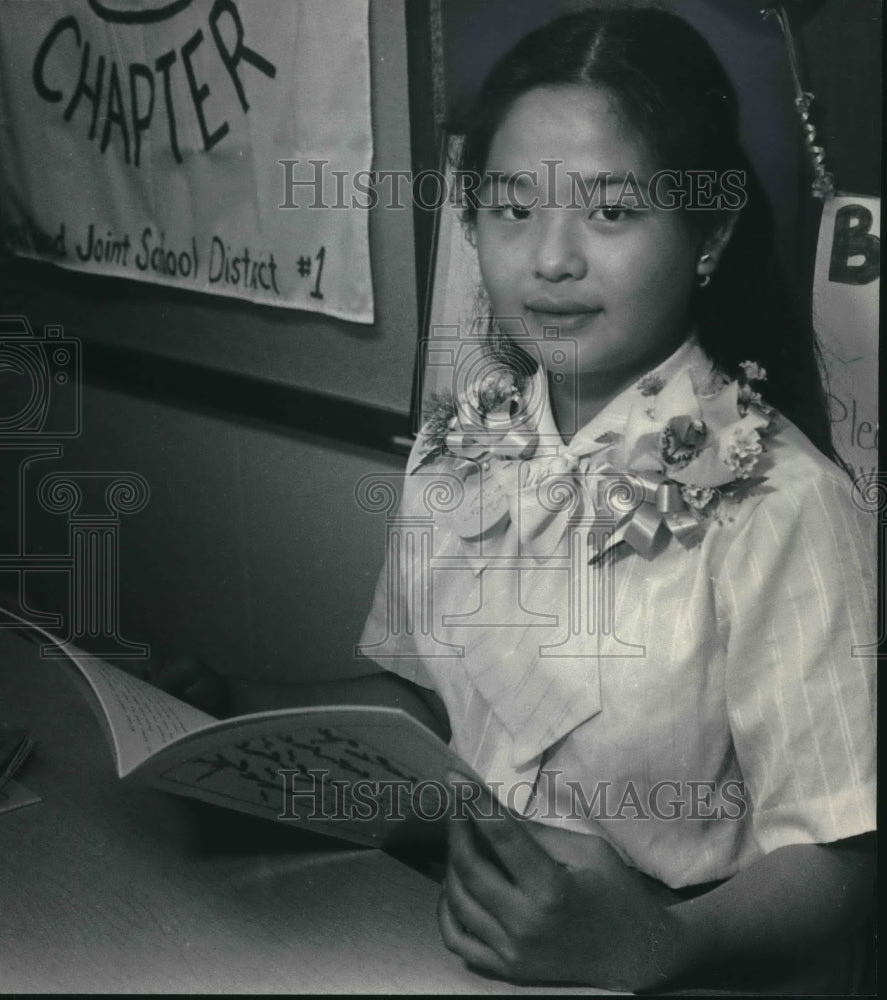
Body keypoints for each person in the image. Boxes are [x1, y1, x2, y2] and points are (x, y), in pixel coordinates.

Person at [353, 4, 875, 993]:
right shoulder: (455, 446)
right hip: (451, 943)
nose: (550, 258)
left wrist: (654, 942)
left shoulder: (784, 503)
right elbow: (420, 702)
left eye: (611, 211)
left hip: (679, 968)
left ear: (707, 233)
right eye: (512, 209)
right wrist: (226, 707)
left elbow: (837, 859)